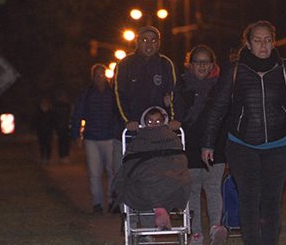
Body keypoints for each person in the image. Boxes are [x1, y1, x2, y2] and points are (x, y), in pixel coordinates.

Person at [201, 20, 286, 245]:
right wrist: (208, 143)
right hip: (242, 145)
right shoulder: (234, 70)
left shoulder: (283, 68)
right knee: (249, 199)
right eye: (258, 40)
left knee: (271, 201)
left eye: (267, 40)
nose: (263, 45)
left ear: (273, 42)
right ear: (248, 44)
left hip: (278, 146)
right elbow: (217, 108)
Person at [174, 45, 228, 245]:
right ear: (190, 64)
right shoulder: (181, 86)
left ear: (213, 64)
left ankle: (216, 227)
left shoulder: (221, 86)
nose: (202, 66)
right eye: (198, 61)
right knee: (193, 189)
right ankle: (195, 232)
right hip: (190, 146)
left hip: (216, 146)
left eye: (206, 62)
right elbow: (177, 114)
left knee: (213, 187)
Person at [116, 106, 191, 230]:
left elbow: (180, 160)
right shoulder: (139, 139)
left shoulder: (171, 137)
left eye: (158, 121)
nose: (154, 125)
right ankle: (152, 221)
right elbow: (130, 161)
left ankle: (157, 213)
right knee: (141, 183)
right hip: (144, 177)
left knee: (162, 182)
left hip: (169, 176)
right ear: (144, 123)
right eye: (150, 122)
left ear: (163, 122)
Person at [71, 64, 124, 214]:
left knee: (113, 170)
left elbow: (119, 113)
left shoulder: (113, 93)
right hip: (92, 138)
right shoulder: (86, 94)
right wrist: (76, 134)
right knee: (94, 172)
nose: (100, 78)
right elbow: (78, 113)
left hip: (110, 137)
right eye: (97, 75)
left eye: (102, 74)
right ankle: (97, 203)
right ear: (92, 77)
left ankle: (113, 201)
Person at [114, 26, 180, 131]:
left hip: (160, 129)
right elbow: (118, 95)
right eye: (144, 40)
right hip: (132, 129)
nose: (149, 44)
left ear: (158, 43)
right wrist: (127, 120)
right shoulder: (125, 64)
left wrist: (174, 119)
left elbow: (174, 93)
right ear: (137, 42)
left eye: (153, 40)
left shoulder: (166, 64)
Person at [52, 88, 73, 163]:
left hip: (66, 126)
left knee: (66, 142)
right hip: (60, 127)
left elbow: (70, 116)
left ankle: (65, 156)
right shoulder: (57, 106)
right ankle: (62, 156)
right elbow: (55, 117)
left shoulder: (68, 106)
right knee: (61, 142)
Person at [35, 95, 55, 164]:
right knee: (42, 144)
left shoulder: (51, 112)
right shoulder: (38, 112)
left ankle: (48, 158)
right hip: (40, 130)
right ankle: (43, 157)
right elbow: (36, 121)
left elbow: (53, 121)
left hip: (48, 130)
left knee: (48, 144)